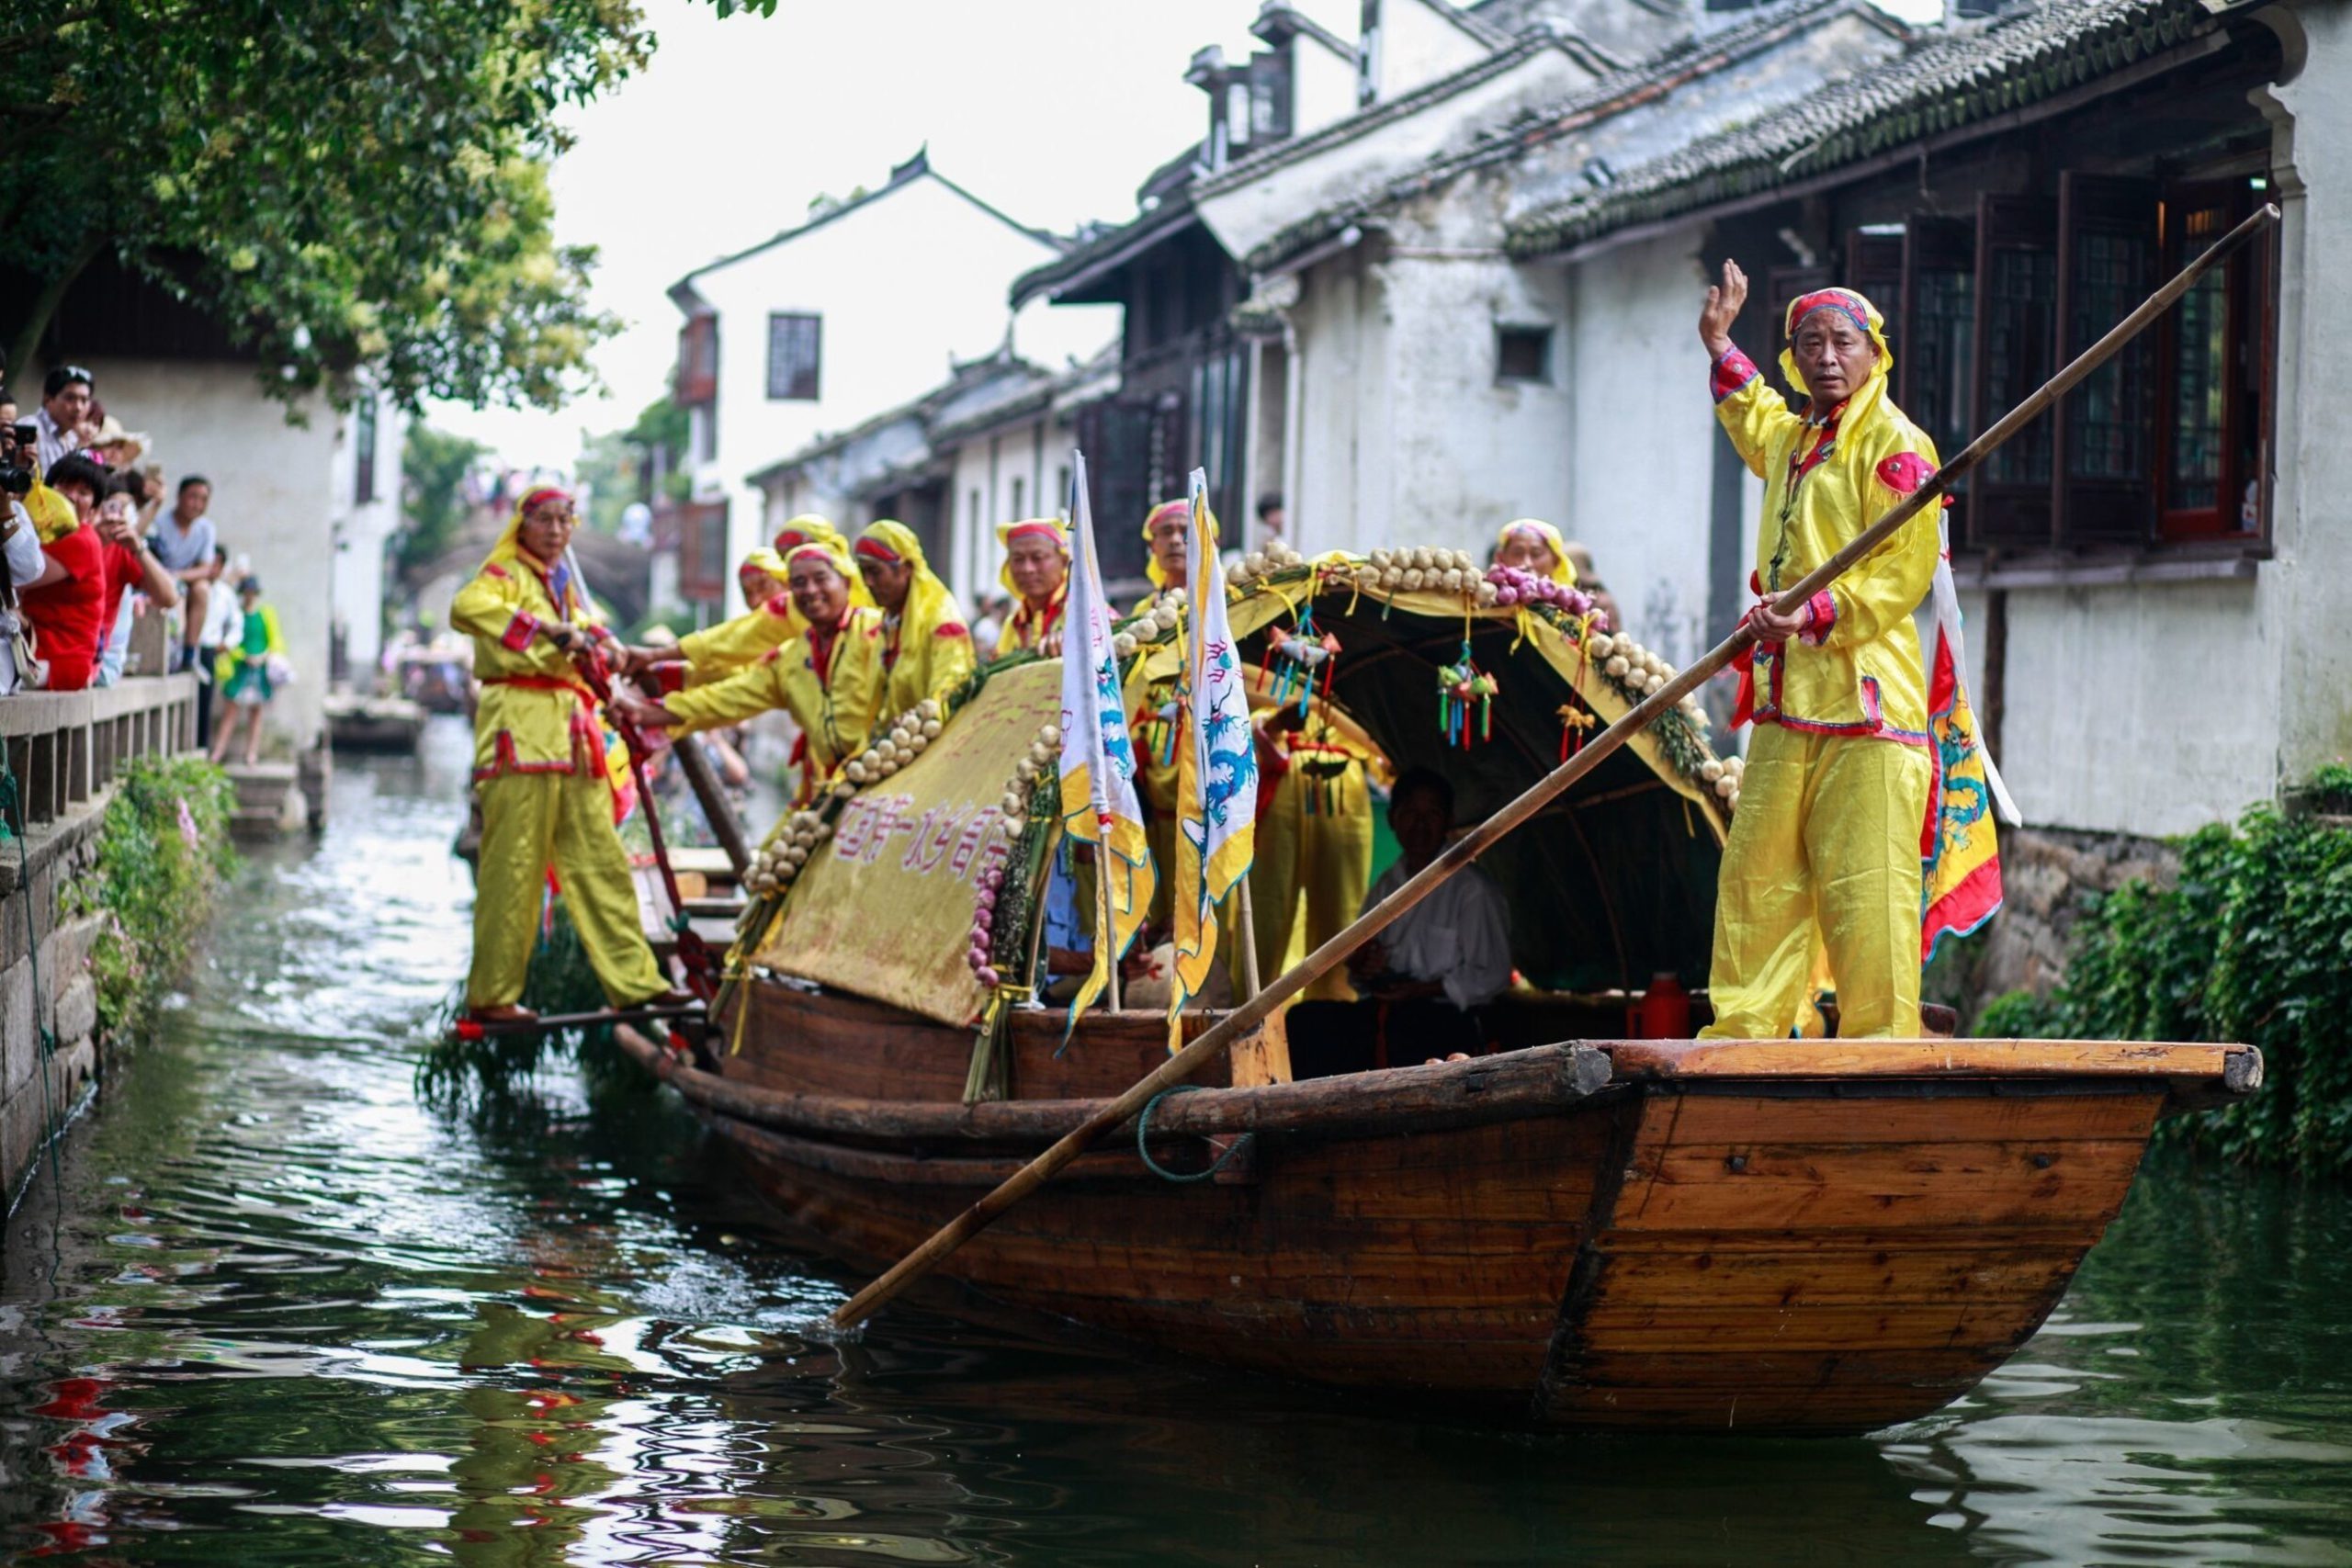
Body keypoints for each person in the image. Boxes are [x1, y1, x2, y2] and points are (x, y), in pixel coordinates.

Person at [1695, 262, 1941, 1041]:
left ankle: (1882, 1049)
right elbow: (1752, 412)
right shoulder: (1796, 439)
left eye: (1844, 342)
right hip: (1784, 697)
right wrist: (1719, 341)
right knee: (1756, 878)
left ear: (1875, 354)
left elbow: (1903, 569)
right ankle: (1743, 1040)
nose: (1827, 356)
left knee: (1868, 891)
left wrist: (1812, 611)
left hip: (1866, 701)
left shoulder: (1898, 445)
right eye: (1811, 343)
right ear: (1793, 357)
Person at [447, 486, 675, 1026]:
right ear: (522, 525)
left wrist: (609, 644)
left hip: (572, 736)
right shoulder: (503, 573)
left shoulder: (564, 583)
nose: (554, 530)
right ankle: (493, 995)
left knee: (601, 862)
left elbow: (589, 629)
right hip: (520, 732)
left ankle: (637, 985)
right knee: (513, 867)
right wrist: (546, 629)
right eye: (543, 520)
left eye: (563, 520)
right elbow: (465, 607)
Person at [613, 539, 886, 800]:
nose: (810, 591)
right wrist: (650, 710)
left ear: (848, 582)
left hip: (885, 771)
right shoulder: (791, 657)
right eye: (799, 582)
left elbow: (730, 645)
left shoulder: (879, 634)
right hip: (833, 780)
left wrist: (658, 663)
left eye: (820, 578)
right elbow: (731, 693)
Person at [1284, 769, 1511, 1076]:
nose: (1420, 825)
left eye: (1431, 813)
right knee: (1305, 1019)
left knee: (1410, 1033)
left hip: (1442, 1016)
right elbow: (1361, 963)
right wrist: (1364, 965)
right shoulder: (1387, 884)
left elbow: (1493, 974)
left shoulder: (1471, 889)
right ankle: (1324, 1117)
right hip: (1388, 1009)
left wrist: (1421, 990)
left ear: (1448, 820)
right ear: (1392, 819)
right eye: (1409, 813)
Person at [852, 518, 975, 717]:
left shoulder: (941, 621)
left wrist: (920, 722)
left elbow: (949, 692)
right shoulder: (890, 620)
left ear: (906, 568)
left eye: (875, 572)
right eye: (863, 572)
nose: (868, 582)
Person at [17, 453, 115, 691]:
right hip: (33, 649)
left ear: (93, 509)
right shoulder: (44, 532)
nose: (71, 496)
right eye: (63, 485)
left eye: (83, 492)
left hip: (59, 661)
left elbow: (19, 576)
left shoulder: (82, 540)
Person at [91, 485, 180, 685]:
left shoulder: (123, 549)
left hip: (101, 664)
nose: (113, 516)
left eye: (122, 509)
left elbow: (170, 598)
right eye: (110, 506)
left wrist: (138, 547)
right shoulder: (69, 538)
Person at [149, 475, 222, 674]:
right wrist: (166, 578)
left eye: (203, 499)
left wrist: (178, 576)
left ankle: (190, 655)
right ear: (179, 496)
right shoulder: (159, 522)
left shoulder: (206, 528)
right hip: (154, 580)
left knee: (202, 589)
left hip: (182, 582)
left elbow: (206, 568)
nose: (197, 504)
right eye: (193, 497)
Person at [208, 577, 283, 764]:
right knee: (230, 713)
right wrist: (243, 656)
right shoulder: (237, 615)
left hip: (260, 669)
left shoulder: (265, 615)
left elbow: (275, 641)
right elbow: (231, 642)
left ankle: (251, 754)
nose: (250, 596)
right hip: (239, 669)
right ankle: (218, 752)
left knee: (256, 714)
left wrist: (263, 657)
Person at [992, 515, 1069, 659]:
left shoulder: (1087, 614)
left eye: (1038, 558)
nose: (1028, 569)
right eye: (1018, 559)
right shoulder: (1013, 624)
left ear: (1063, 561)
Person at [33, 366, 94, 471]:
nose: (78, 408)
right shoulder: (32, 429)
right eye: (70, 398)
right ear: (48, 399)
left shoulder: (72, 438)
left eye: (84, 400)